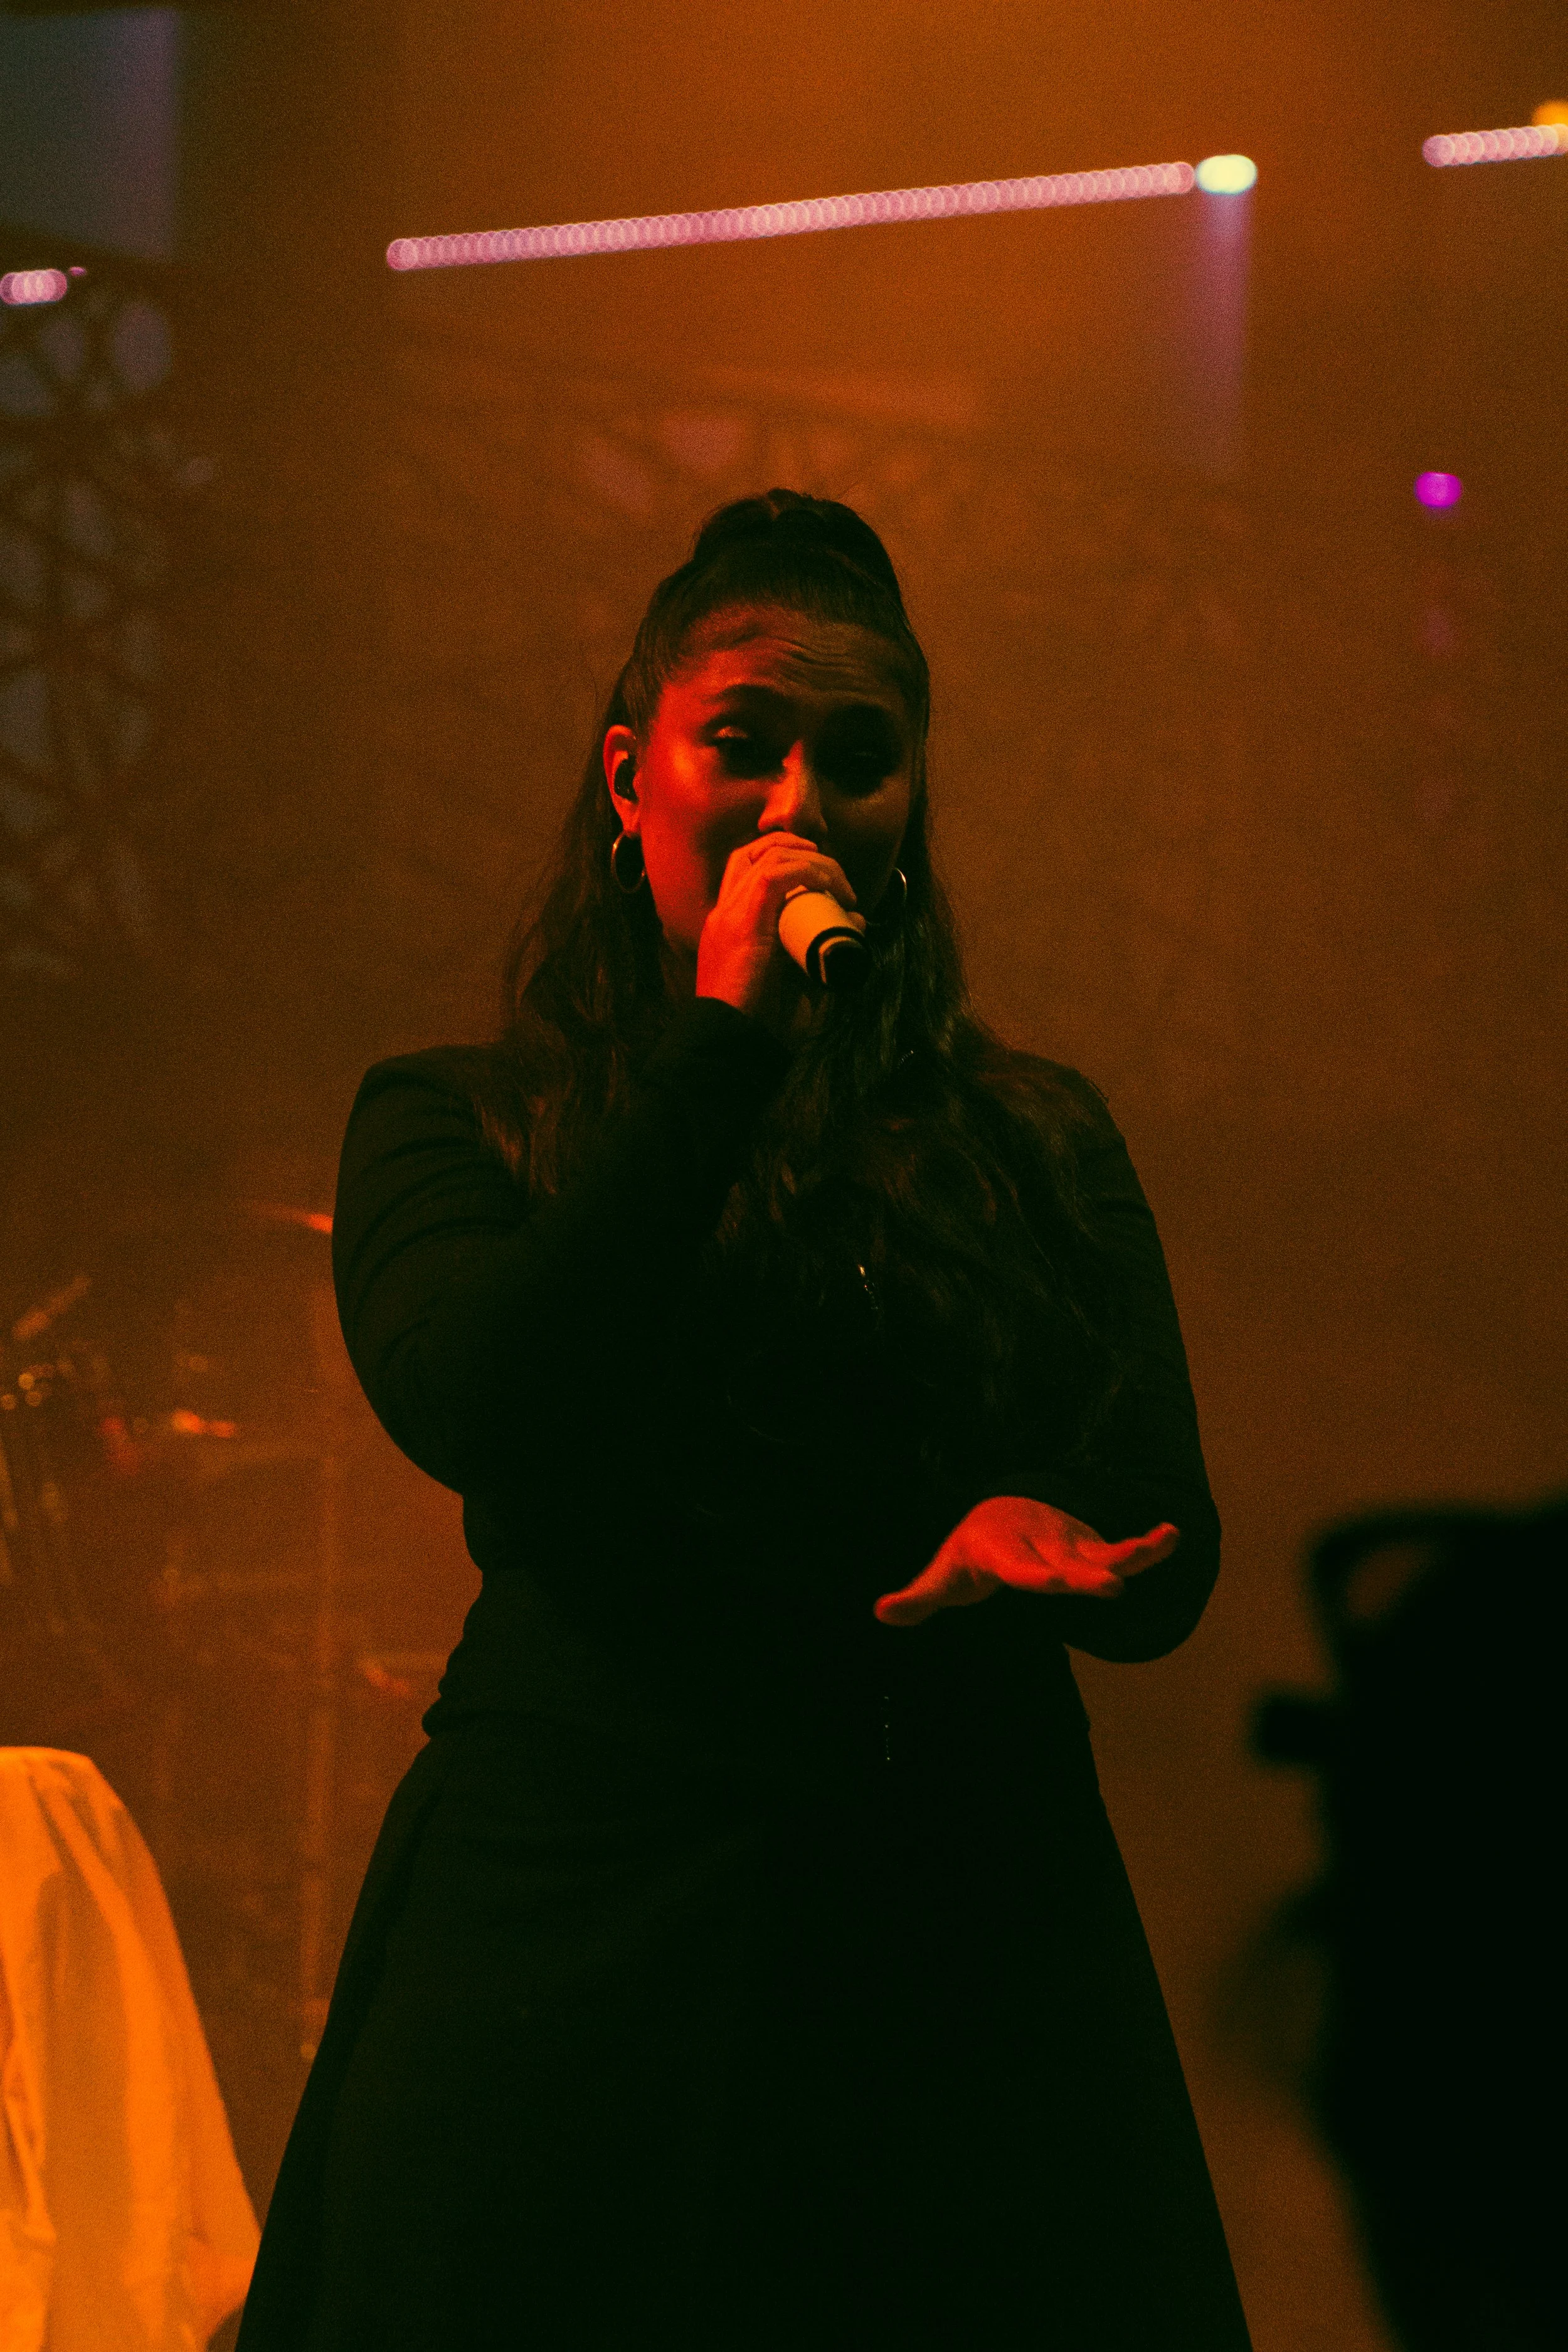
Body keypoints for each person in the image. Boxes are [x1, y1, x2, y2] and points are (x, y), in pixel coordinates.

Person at [236, 490, 1251, 2349]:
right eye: (744, 745)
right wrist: (722, 1044)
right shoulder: (452, 1119)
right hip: (583, 1937)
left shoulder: (1032, 1135)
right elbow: (484, 1395)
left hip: (953, 1934)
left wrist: (1056, 1531)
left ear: (910, 807)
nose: (799, 803)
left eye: (857, 760)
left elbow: (1163, 1517)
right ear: (630, 776)